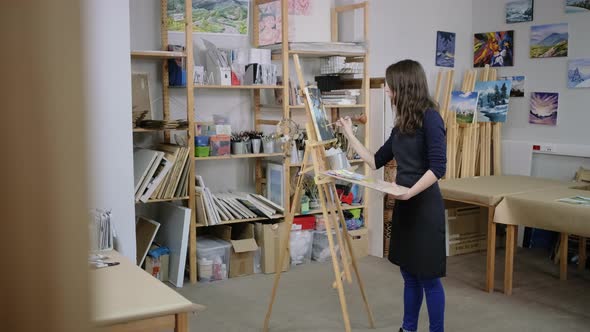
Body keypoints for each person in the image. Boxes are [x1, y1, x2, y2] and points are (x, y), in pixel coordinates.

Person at [337, 59, 447, 332]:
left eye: (389, 84)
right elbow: (375, 160)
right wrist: (350, 134)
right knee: (409, 275)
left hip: (424, 207)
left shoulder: (431, 118)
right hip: (405, 205)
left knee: (429, 278)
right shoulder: (401, 125)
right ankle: (408, 328)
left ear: (404, 86)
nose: (386, 89)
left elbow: (438, 167)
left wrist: (410, 191)